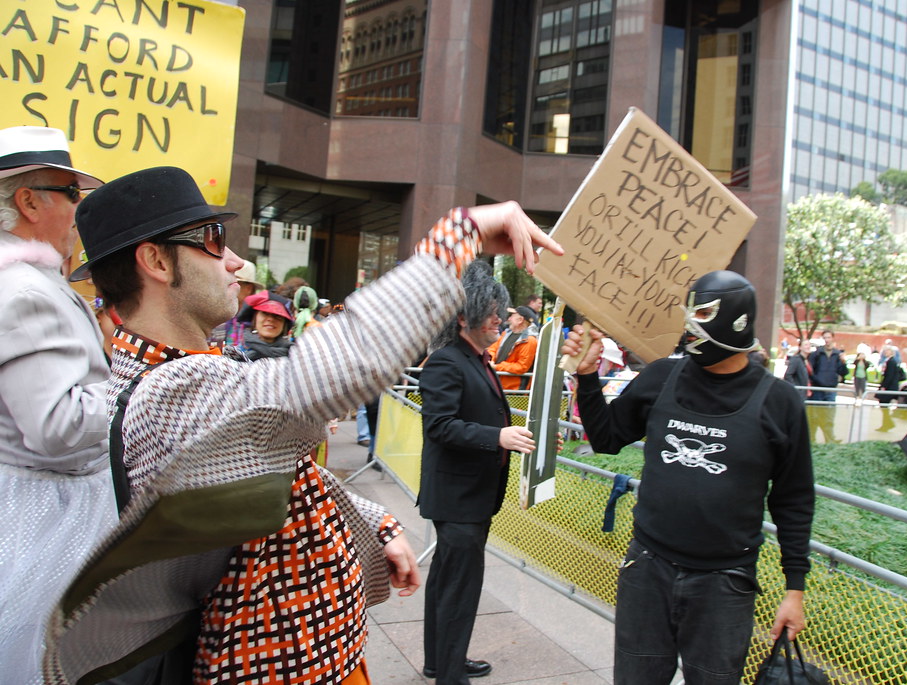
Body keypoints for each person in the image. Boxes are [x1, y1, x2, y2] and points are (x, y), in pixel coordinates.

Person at [44, 166, 562, 683]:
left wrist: (373, 523)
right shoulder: (167, 390)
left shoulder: (182, 371)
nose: (236, 261)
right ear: (155, 260)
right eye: (212, 241)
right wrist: (460, 234)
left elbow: (276, 476)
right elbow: (330, 373)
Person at [561, 270, 814, 685]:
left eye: (702, 317)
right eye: (689, 316)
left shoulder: (779, 402)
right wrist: (587, 377)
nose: (690, 329)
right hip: (648, 570)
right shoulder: (662, 376)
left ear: (737, 322)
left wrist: (795, 589)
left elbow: (795, 500)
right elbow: (607, 437)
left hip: (724, 586)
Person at [0, 125, 114, 685]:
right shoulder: (23, 291)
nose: (78, 209)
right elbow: (56, 425)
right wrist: (139, 389)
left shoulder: (29, 283)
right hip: (47, 523)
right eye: (72, 193)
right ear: (29, 200)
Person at [418, 261, 535, 684]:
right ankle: (450, 673)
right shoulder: (447, 361)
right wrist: (499, 437)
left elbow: (485, 416)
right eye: (491, 311)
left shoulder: (475, 358)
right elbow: (440, 426)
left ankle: (441, 660)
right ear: (462, 316)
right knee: (458, 590)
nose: (499, 320)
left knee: (448, 583)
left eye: (501, 311)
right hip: (457, 498)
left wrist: (518, 436)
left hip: (469, 496)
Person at [209, 258, 264, 348]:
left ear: (249, 289)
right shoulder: (216, 315)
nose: (226, 287)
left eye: (233, 283)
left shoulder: (258, 320)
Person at [486, 305, 539, 390]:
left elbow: (522, 367)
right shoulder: (506, 333)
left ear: (520, 320)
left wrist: (496, 367)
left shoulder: (529, 341)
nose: (509, 319)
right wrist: (490, 360)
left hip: (514, 391)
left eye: (512, 316)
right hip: (498, 386)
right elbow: (493, 349)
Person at [808, 329, 846, 443]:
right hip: (818, 389)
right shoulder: (817, 354)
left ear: (833, 338)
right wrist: (818, 381)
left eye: (829, 337)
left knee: (828, 416)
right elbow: (810, 371)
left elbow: (843, 372)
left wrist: (844, 362)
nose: (827, 340)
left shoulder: (837, 354)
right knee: (814, 416)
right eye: (825, 338)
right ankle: (812, 440)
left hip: (830, 389)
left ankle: (830, 440)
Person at [238, 289, 294, 360]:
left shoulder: (294, 355)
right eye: (265, 313)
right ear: (255, 319)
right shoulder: (238, 353)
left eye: (277, 315)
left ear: (284, 324)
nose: (270, 319)